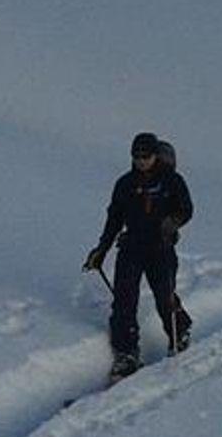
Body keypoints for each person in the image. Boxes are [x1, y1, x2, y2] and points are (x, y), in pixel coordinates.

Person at [83, 131, 194, 379]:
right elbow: (114, 219)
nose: (141, 161)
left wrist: (173, 222)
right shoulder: (125, 184)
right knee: (124, 300)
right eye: (137, 156)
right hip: (131, 247)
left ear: (156, 155)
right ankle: (126, 353)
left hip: (161, 247)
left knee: (164, 295)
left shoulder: (172, 181)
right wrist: (101, 250)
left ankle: (179, 332)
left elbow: (186, 209)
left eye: (146, 156)